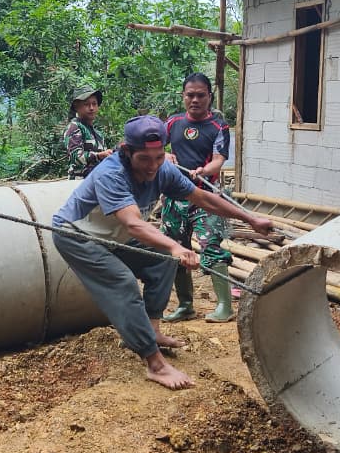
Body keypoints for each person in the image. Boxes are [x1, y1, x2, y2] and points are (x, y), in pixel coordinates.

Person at [52, 115, 273, 391]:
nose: (152, 167)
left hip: (111, 234)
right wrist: (175, 245)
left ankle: (152, 331)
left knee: (163, 262)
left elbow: (202, 198)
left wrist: (250, 219)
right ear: (126, 150)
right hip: (77, 235)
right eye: (144, 159)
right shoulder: (111, 174)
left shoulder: (162, 171)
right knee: (122, 282)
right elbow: (133, 224)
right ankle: (155, 364)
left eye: (159, 157)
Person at [162, 72, 235, 323]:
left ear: (209, 97)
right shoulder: (172, 123)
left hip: (206, 197)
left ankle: (225, 305)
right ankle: (185, 305)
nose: (195, 100)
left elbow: (218, 161)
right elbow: (154, 147)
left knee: (211, 247)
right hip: (175, 197)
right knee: (176, 248)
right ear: (183, 96)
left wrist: (204, 171)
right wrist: (165, 155)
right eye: (190, 95)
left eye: (200, 95)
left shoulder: (218, 126)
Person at [63, 84, 111, 178]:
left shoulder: (98, 134)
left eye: (94, 104)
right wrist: (99, 155)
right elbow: (75, 157)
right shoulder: (74, 127)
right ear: (76, 107)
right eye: (86, 104)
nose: (91, 108)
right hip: (79, 183)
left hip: (98, 181)